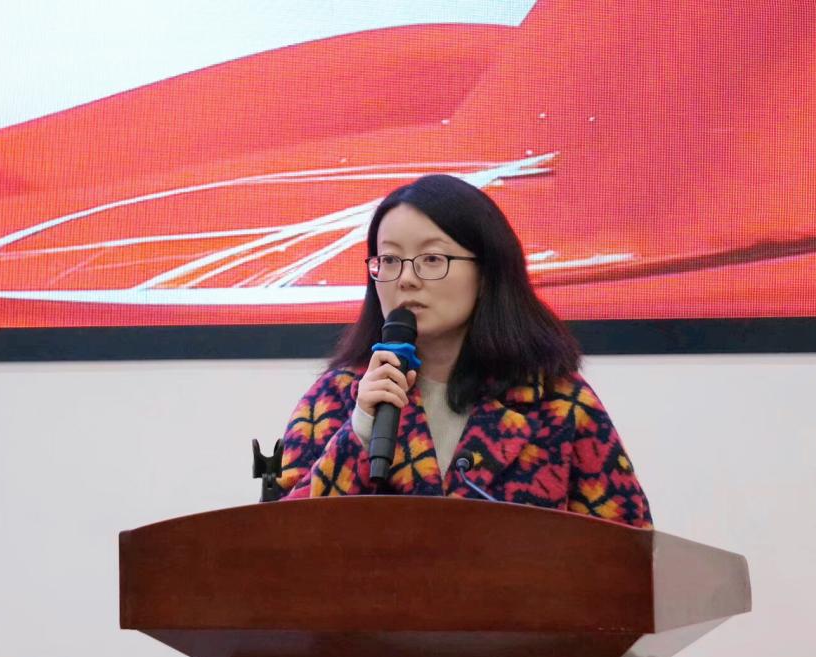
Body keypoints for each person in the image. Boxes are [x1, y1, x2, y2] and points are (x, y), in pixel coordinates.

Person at [275, 174, 652, 529]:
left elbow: (628, 548)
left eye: (432, 259)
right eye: (389, 260)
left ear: (486, 274)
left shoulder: (557, 402)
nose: (406, 278)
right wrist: (359, 431)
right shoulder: (336, 397)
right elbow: (281, 542)